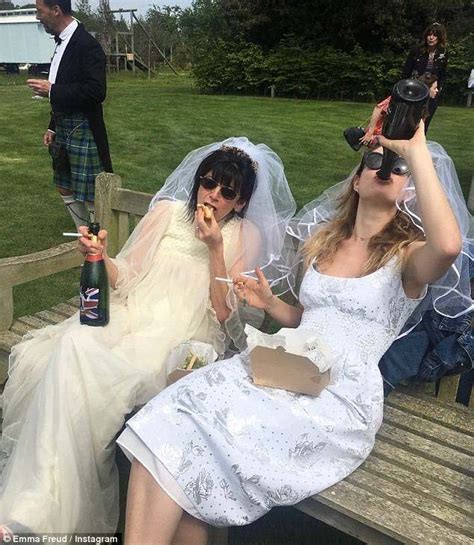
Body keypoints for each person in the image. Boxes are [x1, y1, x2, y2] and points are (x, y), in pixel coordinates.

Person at [116, 126, 471, 545]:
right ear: (356, 180)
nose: (384, 169)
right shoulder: (324, 245)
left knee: (186, 436)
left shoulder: (407, 259)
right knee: (167, 417)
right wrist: (271, 304)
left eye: (397, 169)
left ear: (408, 188)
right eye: (375, 161)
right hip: (287, 368)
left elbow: (448, 246)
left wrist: (412, 151)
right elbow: (310, 321)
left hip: (336, 396)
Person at [0, 137, 296, 537]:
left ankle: (42, 508)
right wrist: (100, 257)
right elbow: (128, 275)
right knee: (74, 345)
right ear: (197, 182)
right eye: (208, 183)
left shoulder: (244, 235)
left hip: (183, 336)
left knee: (95, 370)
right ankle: (43, 504)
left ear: (240, 203)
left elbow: (226, 315)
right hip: (131, 314)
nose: (214, 196)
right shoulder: (167, 214)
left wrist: (213, 249)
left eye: (228, 192)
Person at [26, 0, 113, 229]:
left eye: (39, 11)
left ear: (56, 10)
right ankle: (83, 233)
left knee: (92, 192)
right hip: (64, 126)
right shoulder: (63, 42)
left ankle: (99, 243)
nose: (38, 17)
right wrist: (52, 126)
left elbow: (96, 91)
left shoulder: (87, 45)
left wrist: (51, 90)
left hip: (82, 126)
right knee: (64, 185)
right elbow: (63, 85)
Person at [359, 75, 438, 147]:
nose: (437, 90)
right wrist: (370, 132)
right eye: (434, 88)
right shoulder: (403, 97)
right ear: (426, 89)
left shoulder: (423, 105)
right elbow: (378, 108)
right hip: (384, 135)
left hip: (401, 139)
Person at [402, 22, 448, 132]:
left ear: (439, 37)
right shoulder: (417, 50)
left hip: (432, 90)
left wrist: (437, 88)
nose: (431, 38)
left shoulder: (443, 53)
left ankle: (420, 144)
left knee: (424, 122)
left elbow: (442, 73)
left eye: (435, 35)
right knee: (409, 121)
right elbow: (406, 71)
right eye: (429, 34)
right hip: (415, 88)